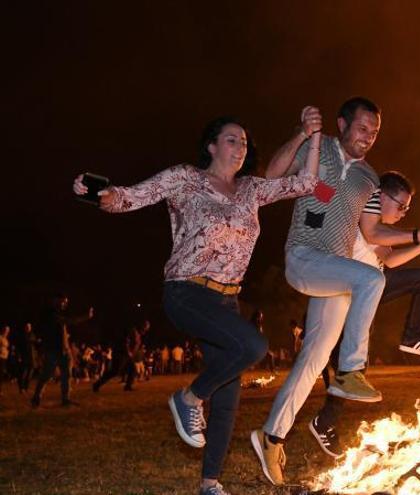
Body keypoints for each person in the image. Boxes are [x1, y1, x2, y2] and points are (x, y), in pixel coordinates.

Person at [72, 111, 321, 495]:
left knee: (228, 395)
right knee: (253, 346)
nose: (241, 147)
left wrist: (310, 133)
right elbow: (132, 196)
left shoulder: (251, 190)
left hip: (227, 300)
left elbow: (306, 183)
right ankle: (188, 397)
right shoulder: (186, 178)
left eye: (244, 142)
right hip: (186, 291)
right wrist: (99, 193)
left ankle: (210, 484)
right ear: (211, 146)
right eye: (231, 139)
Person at [251, 97, 420, 486]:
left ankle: (270, 437)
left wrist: (416, 236)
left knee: (314, 360)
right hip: (304, 256)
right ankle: (352, 369)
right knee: (372, 280)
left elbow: (373, 233)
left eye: (374, 132)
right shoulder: (318, 148)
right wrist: (303, 133)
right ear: (342, 123)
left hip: (335, 273)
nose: (368, 137)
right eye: (362, 128)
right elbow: (271, 175)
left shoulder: (369, 178)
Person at [310, 171, 420, 458]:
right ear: (381, 196)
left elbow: (391, 259)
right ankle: (324, 422)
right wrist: (417, 234)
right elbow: (371, 234)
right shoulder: (360, 216)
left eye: (408, 208)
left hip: (371, 293)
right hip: (345, 298)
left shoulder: (379, 230)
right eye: (401, 205)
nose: (404, 212)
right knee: (352, 370)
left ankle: (412, 337)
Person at [31, 294, 93, 408]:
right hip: (53, 350)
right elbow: (68, 321)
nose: (65, 304)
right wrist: (85, 317)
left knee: (67, 375)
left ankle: (65, 399)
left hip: (64, 350)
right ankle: (36, 397)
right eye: (63, 301)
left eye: (66, 302)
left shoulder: (56, 314)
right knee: (46, 374)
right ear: (56, 300)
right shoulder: (50, 314)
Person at [14, 323, 37, 393]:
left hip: (32, 357)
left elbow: (35, 345)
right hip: (24, 357)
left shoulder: (32, 335)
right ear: (25, 328)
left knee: (29, 374)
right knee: (23, 373)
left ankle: (26, 388)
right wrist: (19, 356)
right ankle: (21, 388)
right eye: (27, 327)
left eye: (29, 327)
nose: (28, 328)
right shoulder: (22, 336)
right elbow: (18, 347)